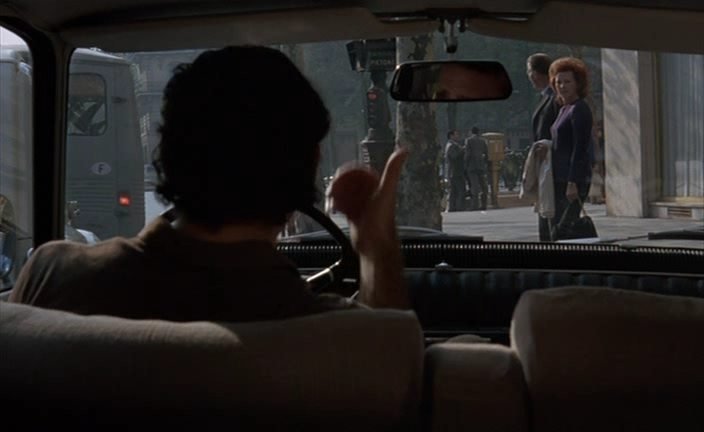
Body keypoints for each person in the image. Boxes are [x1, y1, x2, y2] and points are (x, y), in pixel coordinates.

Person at [9, 46, 410, 321]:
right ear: (310, 166)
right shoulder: (343, 339)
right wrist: (378, 252)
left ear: (167, 152)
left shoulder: (51, 277)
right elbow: (392, 367)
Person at [544, 57, 594, 240]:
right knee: (559, 229)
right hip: (559, 178)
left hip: (573, 179)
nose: (562, 86)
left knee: (563, 230)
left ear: (578, 83)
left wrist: (573, 182)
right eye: (558, 82)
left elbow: (580, 148)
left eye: (567, 82)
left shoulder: (579, 109)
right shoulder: (564, 109)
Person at [527, 53, 560, 240]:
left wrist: (549, 146)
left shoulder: (554, 98)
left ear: (535, 73)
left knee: (550, 216)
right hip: (544, 163)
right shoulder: (546, 97)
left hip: (551, 165)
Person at [464, 126, 489, 210]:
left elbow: (467, 154)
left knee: (474, 186)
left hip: (472, 166)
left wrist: (465, 165)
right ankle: (484, 204)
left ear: (471, 132)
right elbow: (486, 153)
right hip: (481, 166)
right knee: (483, 186)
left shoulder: (469, 140)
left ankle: (475, 205)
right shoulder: (483, 141)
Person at [444, 129, 465, 212]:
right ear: (451, 136)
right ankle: (459, 206)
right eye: (456, 134)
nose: (458, 136)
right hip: (455, 171)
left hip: (453, 171)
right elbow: (454, 156)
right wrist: (462, 150)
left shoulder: (451, 145)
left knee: (453, 191)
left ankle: (452, 207)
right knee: (460, 189)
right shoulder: (451, 146)